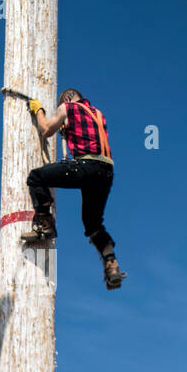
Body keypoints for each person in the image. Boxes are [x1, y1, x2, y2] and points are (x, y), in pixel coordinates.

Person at [25, 88, 126, 290]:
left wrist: (39, 110)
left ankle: (45, 222)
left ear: (68, 98)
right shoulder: (98, 114)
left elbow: (46, 129)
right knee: (93, 224)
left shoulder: (67, 107)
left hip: (86, 166)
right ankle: (110, 262)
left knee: (36, 177)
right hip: (106, 171)